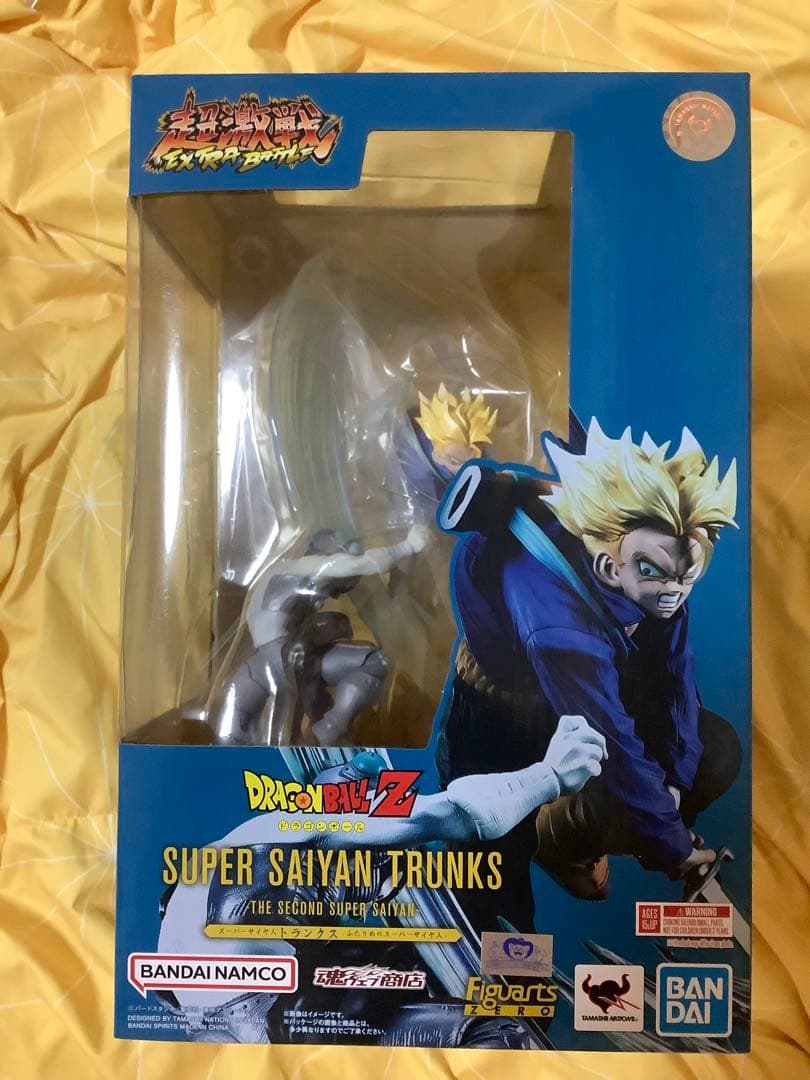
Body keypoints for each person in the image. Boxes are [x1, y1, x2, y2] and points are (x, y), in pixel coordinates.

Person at [436, 418, 742, 907]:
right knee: (493, 902)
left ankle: (577, 833)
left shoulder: (662, 560)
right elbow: (612, 739)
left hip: (592, 675)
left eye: (690, 572)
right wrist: (673, 845)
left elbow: (675, 678)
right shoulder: (557, 624)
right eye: (658, 573)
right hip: (498, 719)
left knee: (714, 752)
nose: (676, 590)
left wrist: (673, 783)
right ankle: (550, 840)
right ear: (607, 565)